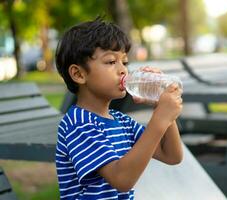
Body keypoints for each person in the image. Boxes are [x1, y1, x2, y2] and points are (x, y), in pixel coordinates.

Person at [55, 17, 183, 200]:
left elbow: (172, 155)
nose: (123, 70)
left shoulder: (121, 121)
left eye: (125, 62)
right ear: (79, 74)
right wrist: (160, 119)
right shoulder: (78, 124)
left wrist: (160, 106)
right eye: (110, 62)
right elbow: (122, 180)